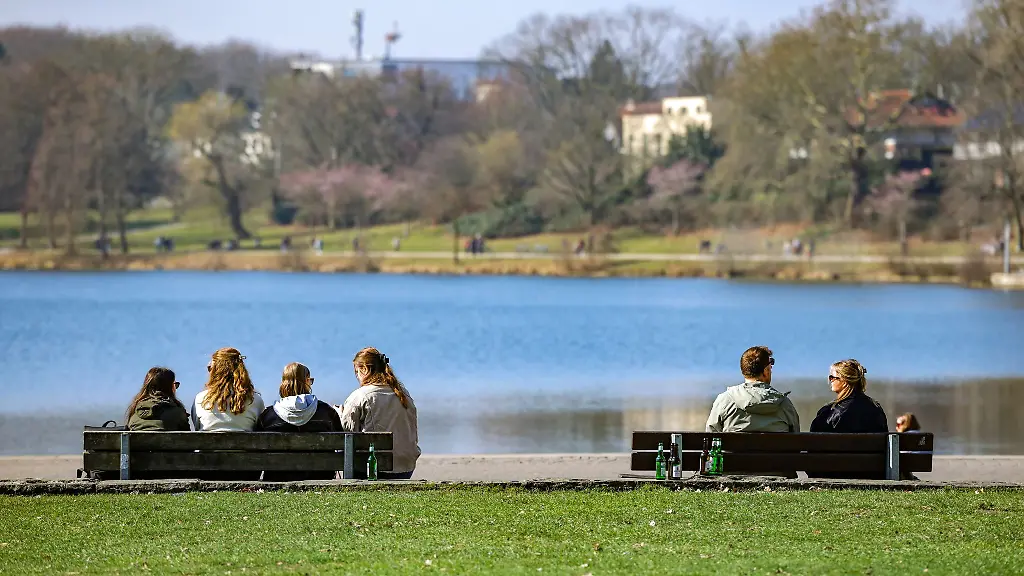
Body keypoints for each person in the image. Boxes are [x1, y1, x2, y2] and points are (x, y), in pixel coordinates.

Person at [339, 347, 420, 479]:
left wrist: (340, 416)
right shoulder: (403, 394)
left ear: (364, 369)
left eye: (356, 371)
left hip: (375, 468)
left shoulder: (360, 396)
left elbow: (347, 435)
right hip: (405, 466)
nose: (357, 376)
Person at [256, 362, 343, 481]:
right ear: (307, 381)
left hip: (277, 477)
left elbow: (257, 450)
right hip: (321, 477)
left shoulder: (268, 416)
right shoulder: (327, 412)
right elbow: (341, 443)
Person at [706, 346, 800, 433]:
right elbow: (796, 439)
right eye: (770, 366)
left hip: (736, 451)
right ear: (765, 371)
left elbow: (711, 436)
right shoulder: (784, 404)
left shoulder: (725, 400)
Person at [191, 347, 264, 432]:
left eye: (210, 368)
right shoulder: (255, 400)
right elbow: (259, 430)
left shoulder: (200, 399)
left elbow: (197, 427)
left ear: (215, 371)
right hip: (244, 445)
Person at [809, 359, 887, 434]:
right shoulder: (875, 407)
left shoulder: (830, 412)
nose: (830, 381)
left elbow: (814, 440)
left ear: (844, 381)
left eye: (832, 377)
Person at [125, 367, 190, 431]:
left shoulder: (134, 413)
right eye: (175, 385)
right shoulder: (178, 413)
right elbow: (188, 438)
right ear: (169, 388)